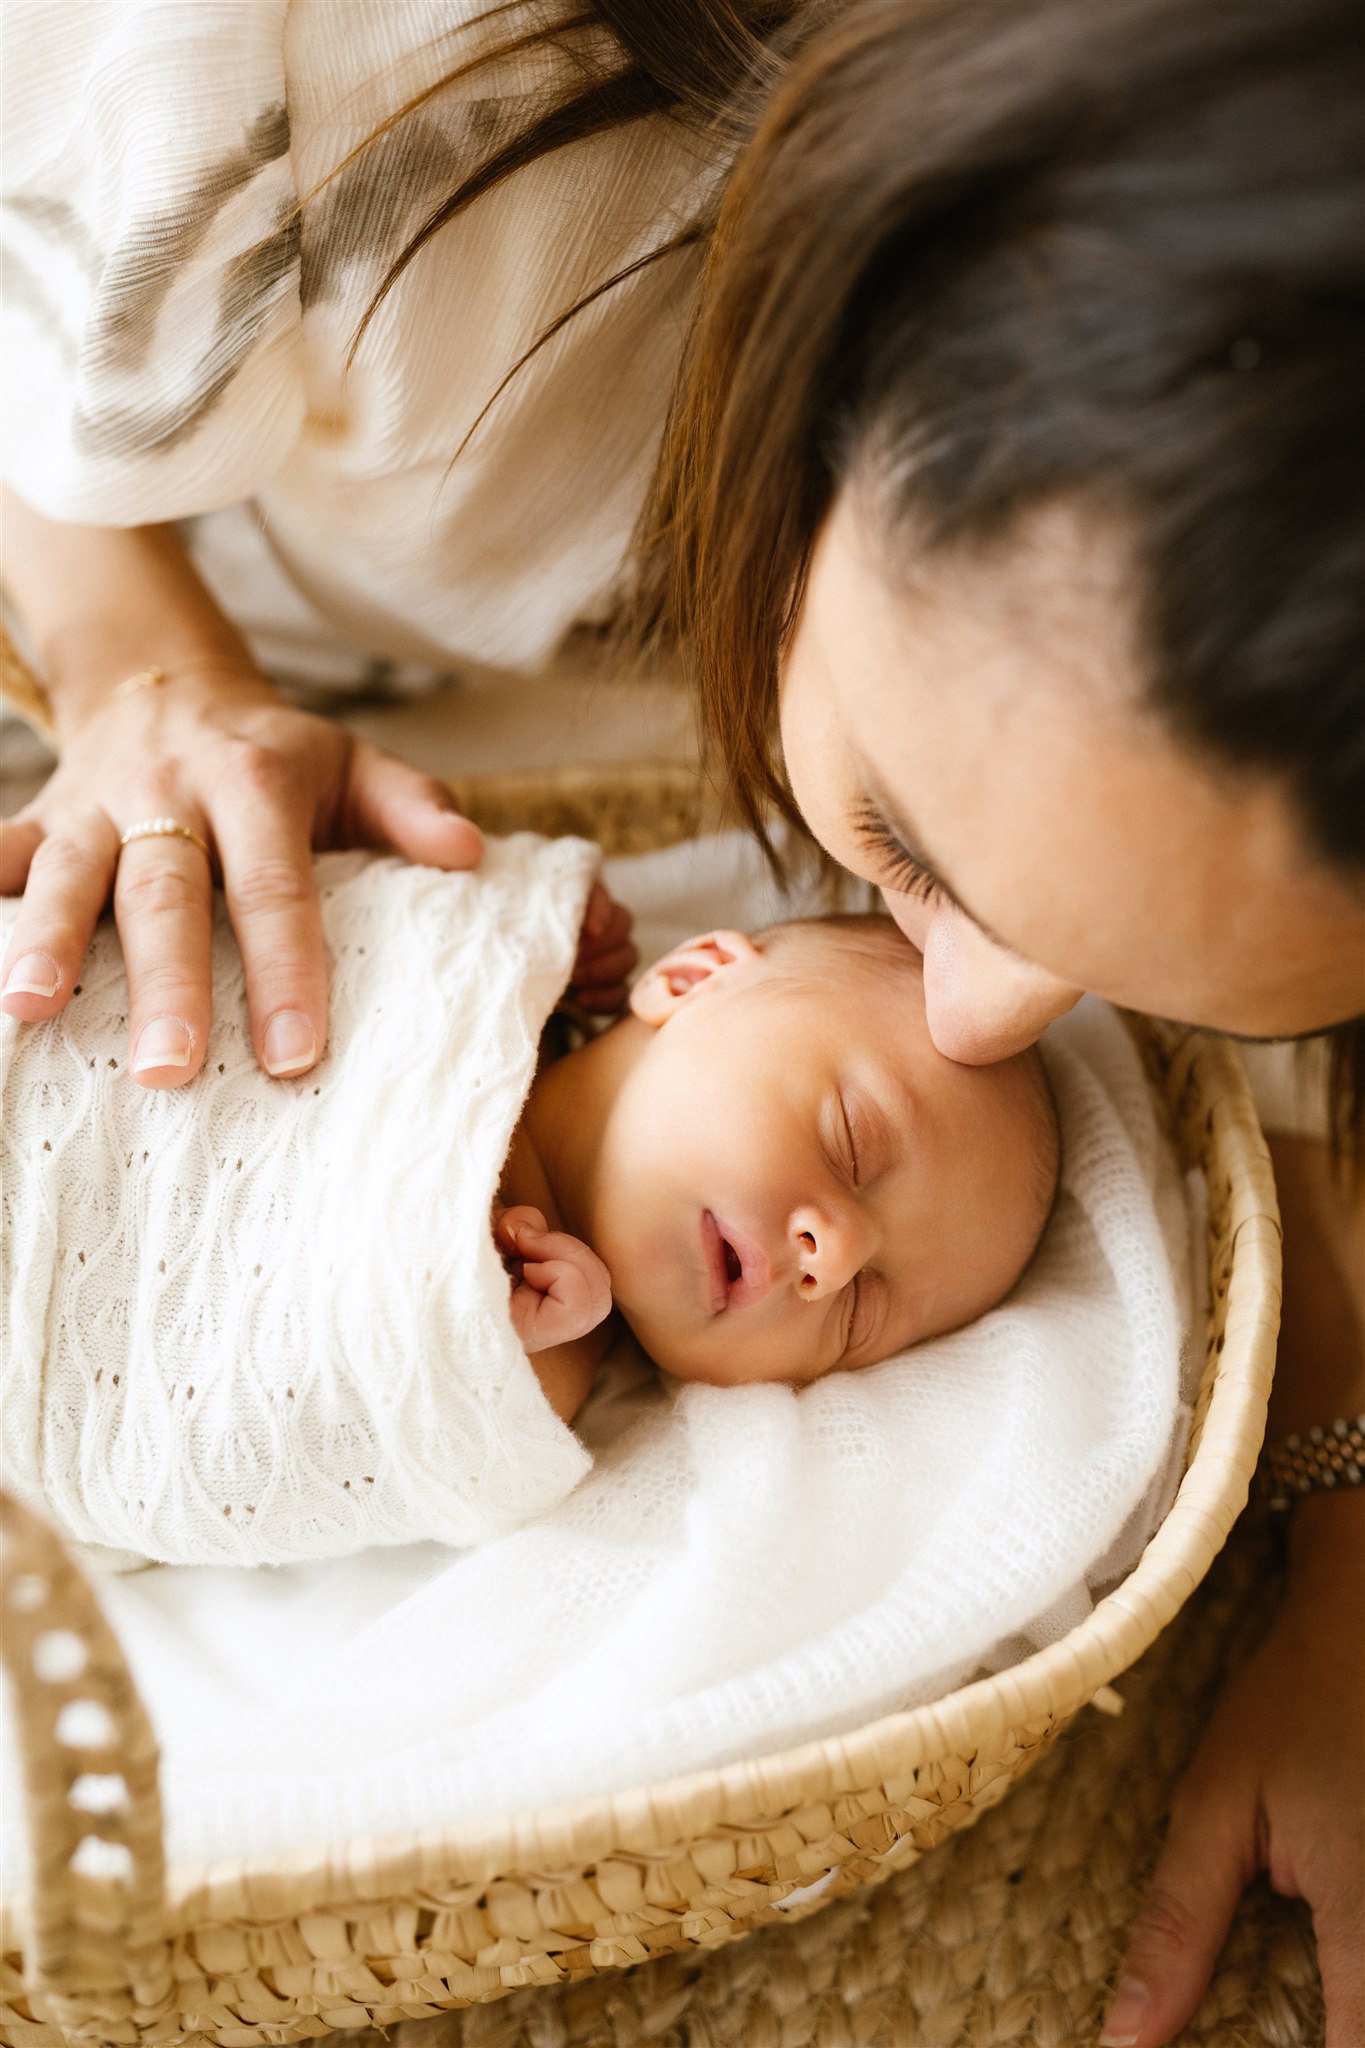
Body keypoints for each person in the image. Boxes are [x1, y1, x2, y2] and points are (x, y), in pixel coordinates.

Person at [0, 0, 1359, 2038]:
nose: (982, 1018)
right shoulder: (292, 87)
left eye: (1153, 987)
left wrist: (1338, 1532)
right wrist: (136, 657)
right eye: (902, 843)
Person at [1, 850, 1060, 1565]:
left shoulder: (540, 1368)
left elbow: (266, 1423)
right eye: (853, 1142)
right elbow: (349, 906)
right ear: (692, 976)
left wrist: (456, 1326)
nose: (833, 1252)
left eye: (861, 1312)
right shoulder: (514, 959)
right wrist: (515, 924)